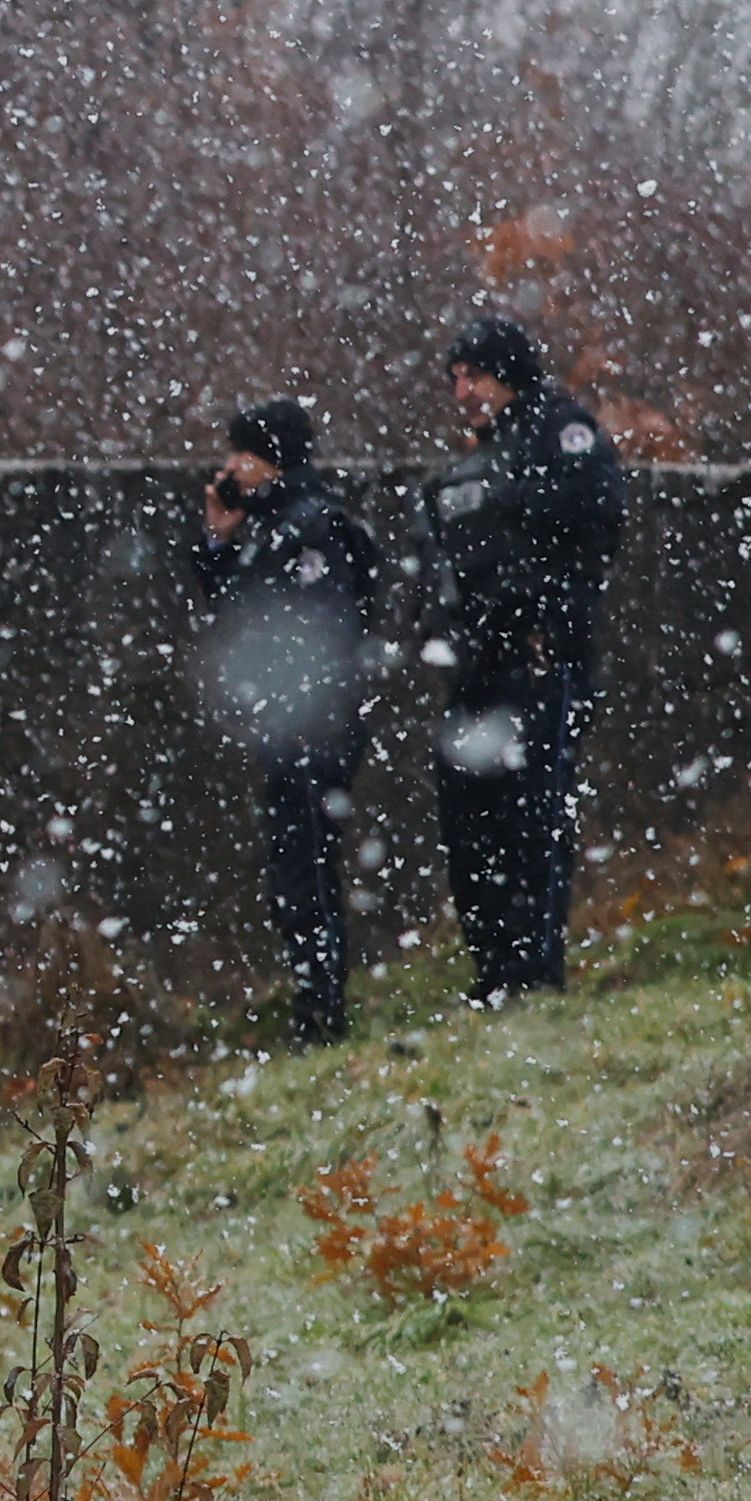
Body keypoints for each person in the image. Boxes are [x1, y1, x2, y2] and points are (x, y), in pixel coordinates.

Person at [424, 312, 627, 1002]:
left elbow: (595, 511)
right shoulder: (475, 458)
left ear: (505, 373)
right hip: (478, 664)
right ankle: (494, 973)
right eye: (455, 380)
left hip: (540, 658)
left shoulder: (557, 433)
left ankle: (534, 974)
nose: (462, 393)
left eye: (472, 377)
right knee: (471, 825)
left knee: (531, 822)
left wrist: (509, 502)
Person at [179, 397, 384, 1044]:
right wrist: (216, 539)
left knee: (307, 866)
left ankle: (321, 1009)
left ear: (266, 460)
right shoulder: (267, 528)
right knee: (293, 867)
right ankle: (311, 998)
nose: (228, 468)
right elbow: (240, 613)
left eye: (240, 456)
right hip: (284, 722)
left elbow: (320, 628)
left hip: (309, 726)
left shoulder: (310, 527)